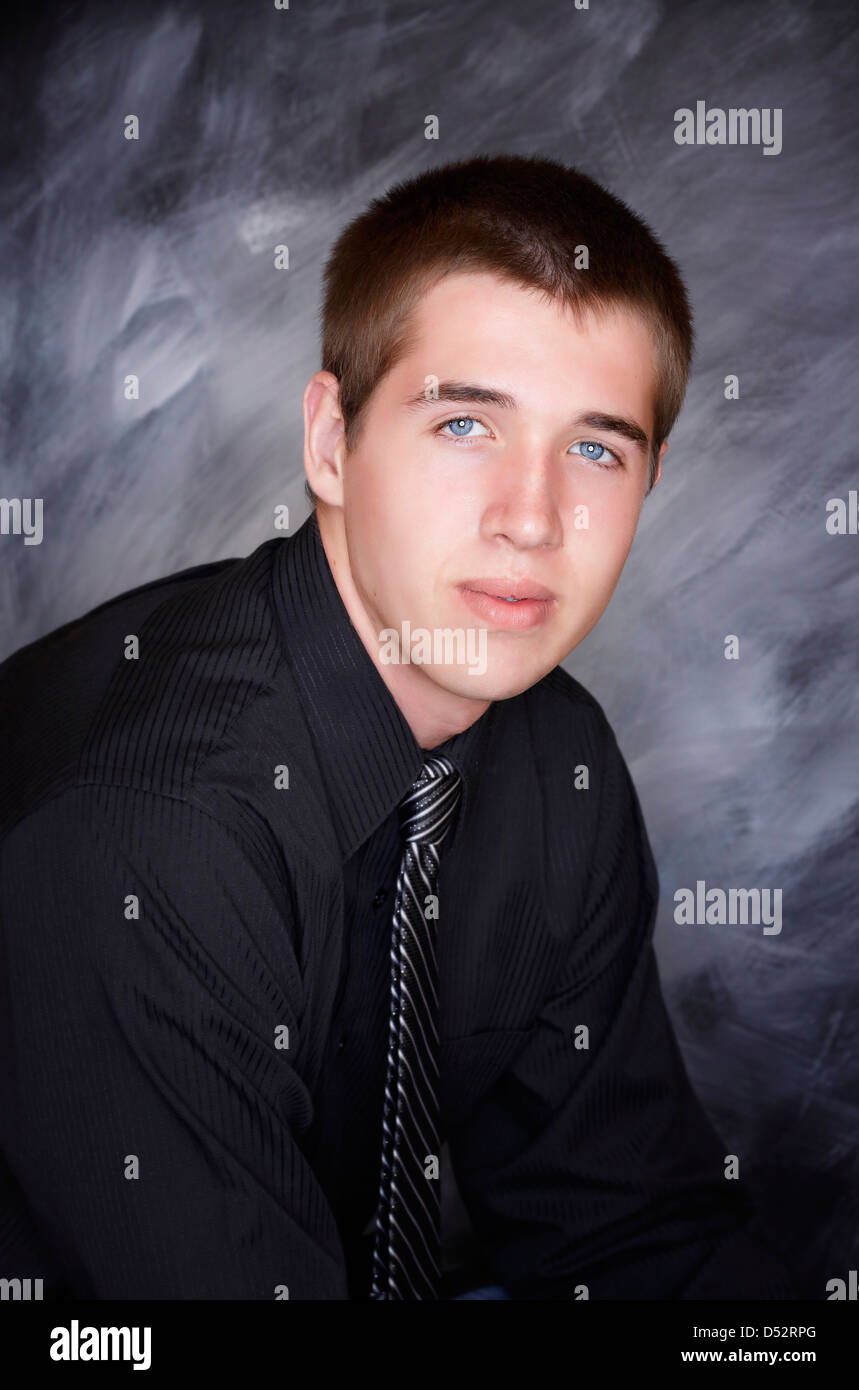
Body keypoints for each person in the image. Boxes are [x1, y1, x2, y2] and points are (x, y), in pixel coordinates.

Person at [0, 153, 799, 1300]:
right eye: (466, 423)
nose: (531, 520)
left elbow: (627, 1231)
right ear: (332, 443)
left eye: (592, 448)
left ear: (649, 478)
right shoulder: (152, 835)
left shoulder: (554, 755)